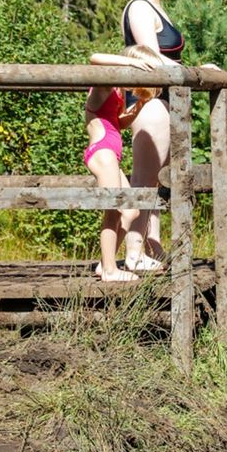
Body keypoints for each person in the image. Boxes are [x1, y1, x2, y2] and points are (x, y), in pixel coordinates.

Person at [119, 0, 188, 270]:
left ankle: (152, 245)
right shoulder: (140, 8)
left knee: (157, 177)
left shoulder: (155, 6)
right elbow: (151, 57)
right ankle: (133, 253)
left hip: (163, 99)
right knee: (145, 176)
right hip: (148, 99)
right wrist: (192, 72)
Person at [83, 45, 163, 281]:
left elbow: (120, 123)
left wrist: (140, 105)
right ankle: (110, 270)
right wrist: (130, 63)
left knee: (131, 211)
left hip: (112, 153)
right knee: (114, 210)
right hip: (102, 151)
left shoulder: (117, 92)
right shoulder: (104, 85)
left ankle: (104, 264)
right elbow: (94, 56)